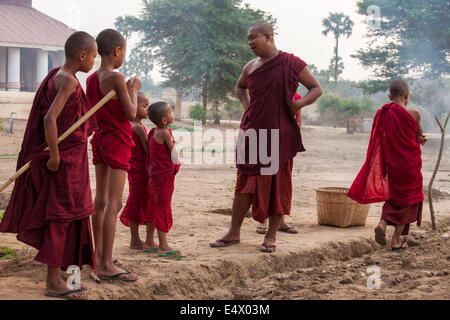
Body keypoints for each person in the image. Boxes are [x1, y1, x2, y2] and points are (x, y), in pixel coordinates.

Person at [0, 31, 98, 299]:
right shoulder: (66, 81)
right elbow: (49, 119)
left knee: (73, 217)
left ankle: (70, 276)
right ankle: (53, 281)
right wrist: (54, 156)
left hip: (71, 162)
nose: (94, 61)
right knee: (60, 217)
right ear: (81, 55)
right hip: (63, 163)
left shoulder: (59, 74)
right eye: (93, 56)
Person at [210, 22, 322, 253]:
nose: (249, 42)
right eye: (247, 39)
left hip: (281, 134)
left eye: (253, 38)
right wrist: (247, 106)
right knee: (244, 183)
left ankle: (270, 236)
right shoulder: (250, 67)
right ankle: (233, 232)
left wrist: (298, 104)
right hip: (253, 132)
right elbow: (240, 88)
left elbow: (316, 88)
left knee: (277, 185)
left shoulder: (292, 63)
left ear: (268, 36)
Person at [86, 29, 141, 281]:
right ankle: (107, 264)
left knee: (101, 200)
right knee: (114, 203)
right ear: (117, 51)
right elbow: (131, 113)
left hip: (101, 139)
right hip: (117, 140)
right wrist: (134, 90)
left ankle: (98, 256)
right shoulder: (116, 77)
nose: (123, 57)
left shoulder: (91, 79)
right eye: (123, 52)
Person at [348, 79, 427, 251]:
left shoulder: (384, 113)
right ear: (407, 96)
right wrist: (423, 139)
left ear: (389, 96)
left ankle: (382, 224)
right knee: (410, 201)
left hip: (392, 165)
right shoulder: (414, 114)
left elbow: (380, 139)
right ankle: (396, 240)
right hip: (410, 166)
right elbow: (420, 137)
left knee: (394, 198)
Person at [256, 92, 303, 235]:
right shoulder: (268, 90)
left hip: (285, 144)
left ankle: (280, 221)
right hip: (266, 141)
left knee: (282, 183)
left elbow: (298, 122)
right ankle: (262, 221)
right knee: (265, 181)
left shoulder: (297, 97)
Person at [145, 102, 183, 258]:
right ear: (164, 120)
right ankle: (163, 246)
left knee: (155, 205)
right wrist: (177, 146)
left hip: (155, 174)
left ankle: (148, 242)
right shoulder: (165, 133)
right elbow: (173, 155)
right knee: (163, 206)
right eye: (170, 112)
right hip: (163, 176)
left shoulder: (153, 131)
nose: (172, 113)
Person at [119, 93, 153, 251]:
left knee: (135, 199)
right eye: (144, 106)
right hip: (142, 170)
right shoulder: (138, 127)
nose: (147, 110)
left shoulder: (126, 124)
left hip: (132, 168)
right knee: (140, 200)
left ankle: (136, 238)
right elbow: (148, 152)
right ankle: (137, 240)